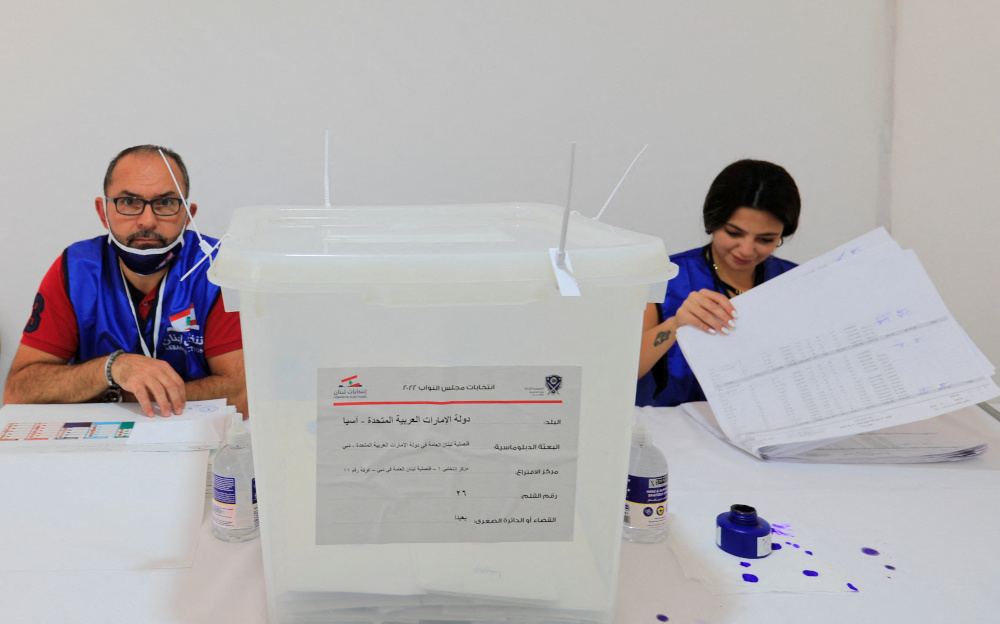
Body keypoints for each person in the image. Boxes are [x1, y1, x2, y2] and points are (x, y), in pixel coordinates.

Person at [4, 145, 247, 418]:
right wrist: (110, 368)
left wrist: (120, 395)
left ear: (187, 214)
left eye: (165, 203)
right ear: (102, 211)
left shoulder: (218, 268)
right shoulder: (75, 269)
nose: (147, 220)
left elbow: (241, 394)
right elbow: (17, 393)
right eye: (129, 202)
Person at [636, 159, 801, 407]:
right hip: (676, 431)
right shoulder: (663, 277)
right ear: (713, 222)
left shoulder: (793, 283)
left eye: (766, 239)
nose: (746, 250)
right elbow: (629, 368)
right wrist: (676, 324)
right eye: (734, 233)